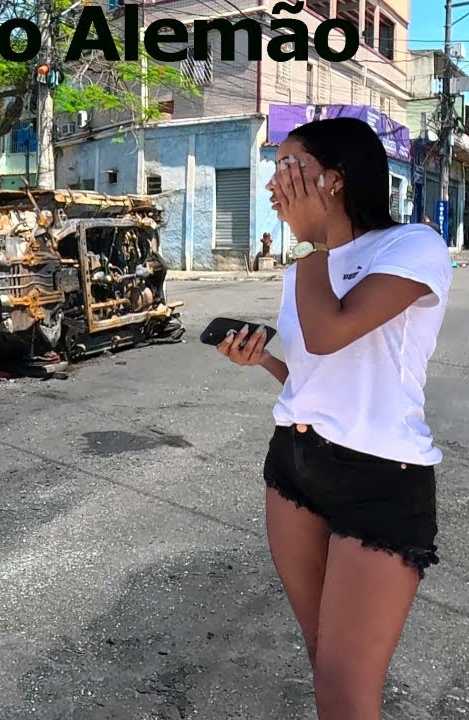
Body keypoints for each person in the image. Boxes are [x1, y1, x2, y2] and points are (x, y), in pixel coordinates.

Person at [215, 117, 452, 720]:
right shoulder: (309, 267)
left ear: (336, 180)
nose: (274, 186)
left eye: (289, 169)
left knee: (348, 696)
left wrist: (319, 244)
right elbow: (312, 374)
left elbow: (328, 334)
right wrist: (263, 358)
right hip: (294, 468)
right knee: (326, 665)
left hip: (380, 483)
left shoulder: (412, 245)